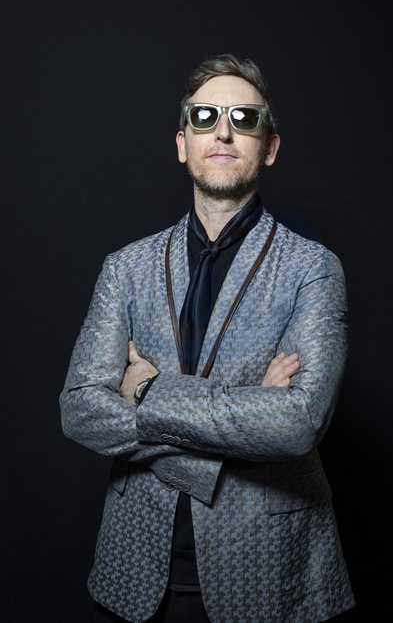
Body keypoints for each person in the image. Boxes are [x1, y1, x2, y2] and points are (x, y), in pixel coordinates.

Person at [60, 53, 355, 623]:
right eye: (205, 117)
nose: (223, 131)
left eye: (244, 118)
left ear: (269, 147)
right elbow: (79, 410)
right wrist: (251, 411)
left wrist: (146, 393)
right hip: (135, 570)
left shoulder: (313, 269)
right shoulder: (125, 268)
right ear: (183, 143)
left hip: (271, 573)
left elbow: (298, 423)